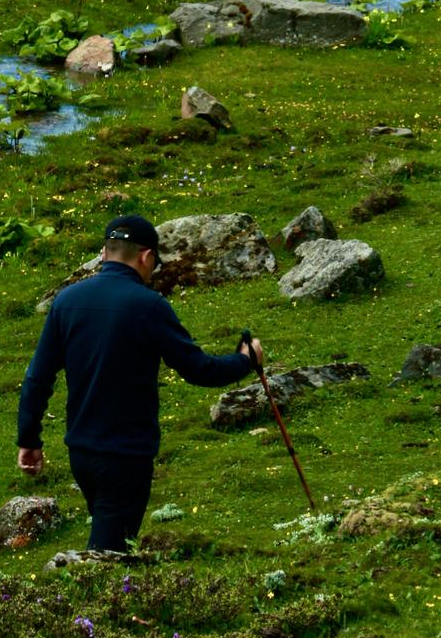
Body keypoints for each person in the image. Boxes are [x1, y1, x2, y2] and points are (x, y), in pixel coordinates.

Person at [16, 214, 264, 552]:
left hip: (81, 454)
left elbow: (37, 377)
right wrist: (245, 360)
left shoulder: (67, 301)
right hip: (125, 455)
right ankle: (83, 583)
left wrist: (29, 439)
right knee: (108, 553)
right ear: (146, 257)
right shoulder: (148, 306)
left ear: (105, 253)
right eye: (155, 265)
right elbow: (199, 370)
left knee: (109, 533)